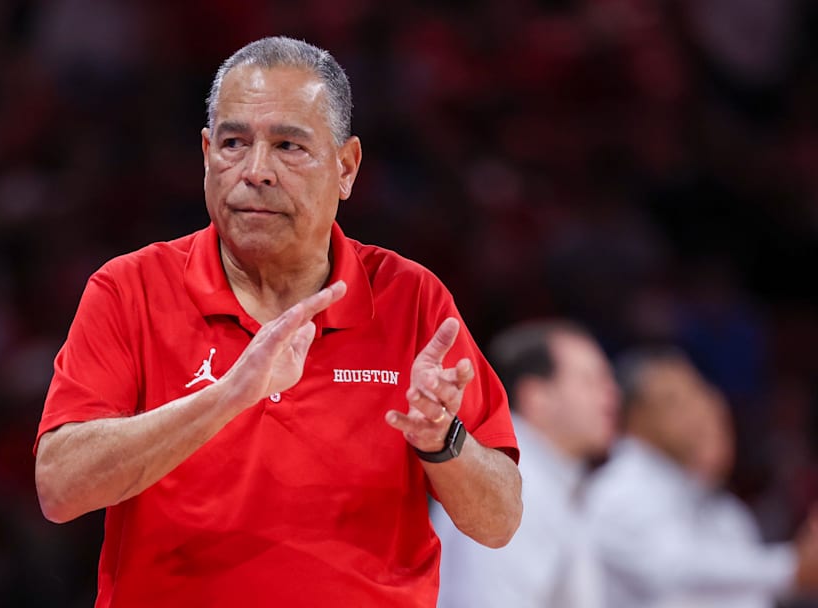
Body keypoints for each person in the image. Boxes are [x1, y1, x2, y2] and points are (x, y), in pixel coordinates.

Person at [34, 36, 523, 607]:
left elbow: (501, 520)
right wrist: (228, 396)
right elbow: (59, 488)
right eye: (234, 142)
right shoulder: (130, 288)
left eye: (289, 145)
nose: (255, 170)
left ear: (346, 167)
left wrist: (444, 441)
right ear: (205, 153)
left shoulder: (410, 298)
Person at [586, 349, 818, 607]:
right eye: (674, 401)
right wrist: (790, 566)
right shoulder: (621, 487)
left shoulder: (697, 494)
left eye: (696, 393)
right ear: (635, 416)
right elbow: (675, 569)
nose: (695, 411)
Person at [432, 320, 621, 607]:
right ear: (537, 397)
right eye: (590, 380)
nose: (611, 395)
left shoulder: (550, 476)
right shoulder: (513, 480)